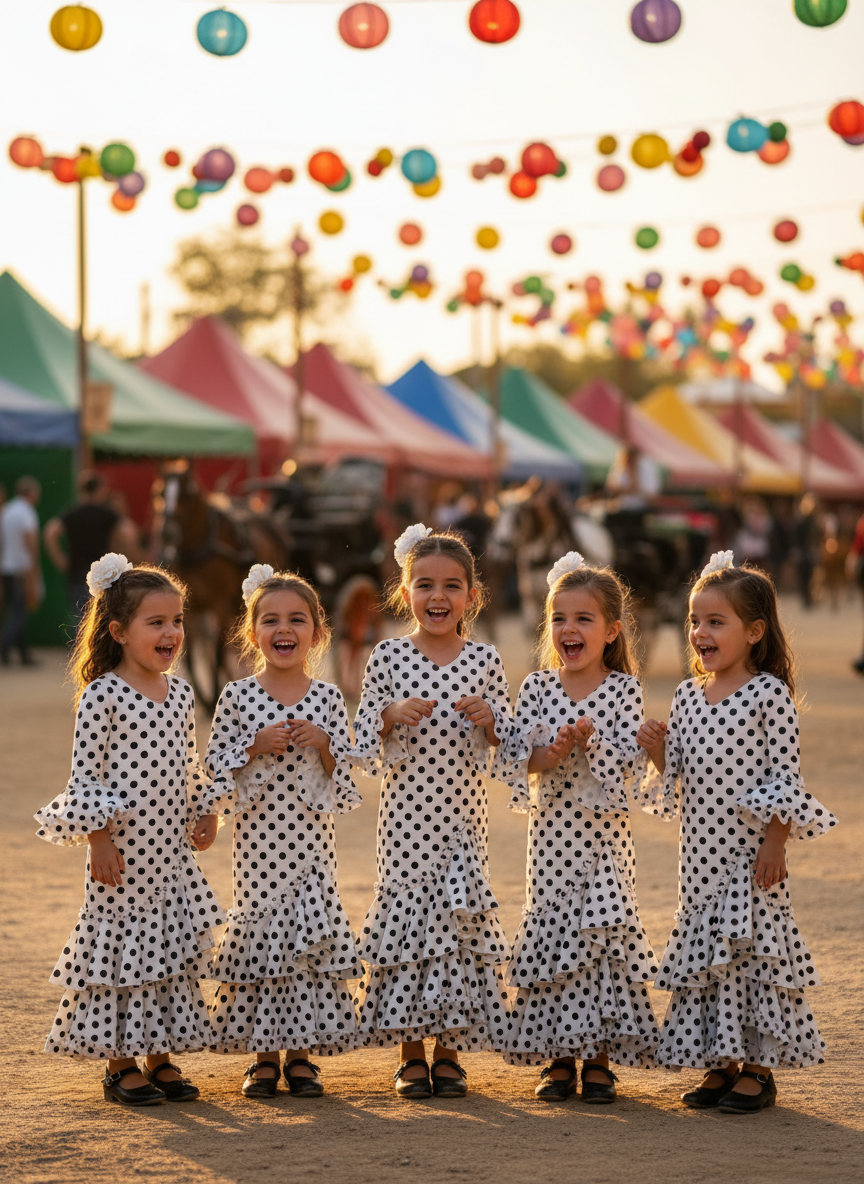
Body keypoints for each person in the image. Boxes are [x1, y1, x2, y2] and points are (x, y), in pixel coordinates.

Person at [636, 551, 837, 1113]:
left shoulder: (769, 695)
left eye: (715, 622)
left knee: (753, 952)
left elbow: (785, 779)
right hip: (700, 857)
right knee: (709, 954)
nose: (700, 632)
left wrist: (775, 842)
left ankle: (758, 1069)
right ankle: (721, 1062)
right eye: (694, 621)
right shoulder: (687, 695)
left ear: (754, 631)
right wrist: (657, 749)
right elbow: (675, 776)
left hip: (750, 857)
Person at [34, 555, 223, 1106]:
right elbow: (84, 776)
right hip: (121, 855)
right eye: (156, 622)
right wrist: (97, 838)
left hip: (169, 854)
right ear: (118, 631)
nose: (171, 633)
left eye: (177, 621)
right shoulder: (104, 694)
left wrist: (205, 810)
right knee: (123, 955)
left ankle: (160, 1055)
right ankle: (120, 1065)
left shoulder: (181, 694)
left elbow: (187, 765)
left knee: (167, 949)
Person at [350, 525, 511, 1098]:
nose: (437, 596)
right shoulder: (388, 655)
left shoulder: (486, 659)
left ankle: (449, 1054)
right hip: (405, 824)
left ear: (472, 595)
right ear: (406, 592)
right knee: (409, 928)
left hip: (464, 823)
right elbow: (360, 737)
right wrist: (388, 714)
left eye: (451, 585)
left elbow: (510, 741)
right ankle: (410, 1054)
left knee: (455, 928)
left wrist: (491, 721)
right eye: (424, 585)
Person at [493, 552, 659, 1103]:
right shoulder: (538, 687)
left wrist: (593, 742)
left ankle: (600, 1060)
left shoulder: (624, 689)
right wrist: (555, 750)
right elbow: (522, 761)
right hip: (552, 840)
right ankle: (560, 1059)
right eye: (559, 618)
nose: (569, 629)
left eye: (584, 618)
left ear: (611, 631)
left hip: (605, 844)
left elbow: (629, 768)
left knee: (600, 940)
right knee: (556, 936)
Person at [204, 565, 362, 1098]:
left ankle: (301, 1057)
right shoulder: (236, 696)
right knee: (263, 941)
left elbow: (345, 774)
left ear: (316, 632)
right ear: (252, 634)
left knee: (304, 940)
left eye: (297, 619)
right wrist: (254, 746)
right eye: (270, 620)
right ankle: (263, 1058)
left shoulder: (328, 697)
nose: (284, 629)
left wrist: (324, 743)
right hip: (258, 848)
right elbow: (214, 766)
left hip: (311, 847)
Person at [43, 472, 121, 617]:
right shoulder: (106, 514)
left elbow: (50, 532)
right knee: (102, 619)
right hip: (103, 574)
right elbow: (128, 532)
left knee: (81, 619)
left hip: (77, 574)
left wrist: (60, 560)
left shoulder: (73, 513)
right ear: (99, 490)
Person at [0, 475, 42, 665]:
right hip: (22, 570)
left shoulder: (7, 510)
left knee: (16, 611)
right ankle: (4, 648)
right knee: (19, 614)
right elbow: (30, 540)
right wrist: (34, 568)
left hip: (7, 568)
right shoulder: (27, 512)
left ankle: (24, 655)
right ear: (31, 493)